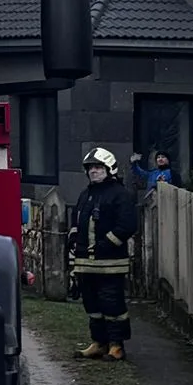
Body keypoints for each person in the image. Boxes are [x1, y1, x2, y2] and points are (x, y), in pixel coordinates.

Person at [71, 145, 140, 361]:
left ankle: (116, 345)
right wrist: (73, 239)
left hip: (111, 263)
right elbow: (77, 221)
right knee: (92, 304)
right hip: (85, 262)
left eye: (98, 167)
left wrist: (106, 243)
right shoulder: (85, 195)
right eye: (90, 168)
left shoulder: (120, 194)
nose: (93, 171)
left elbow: (128, 225)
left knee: (112, 303)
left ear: (110, 169)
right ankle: (98, 343)